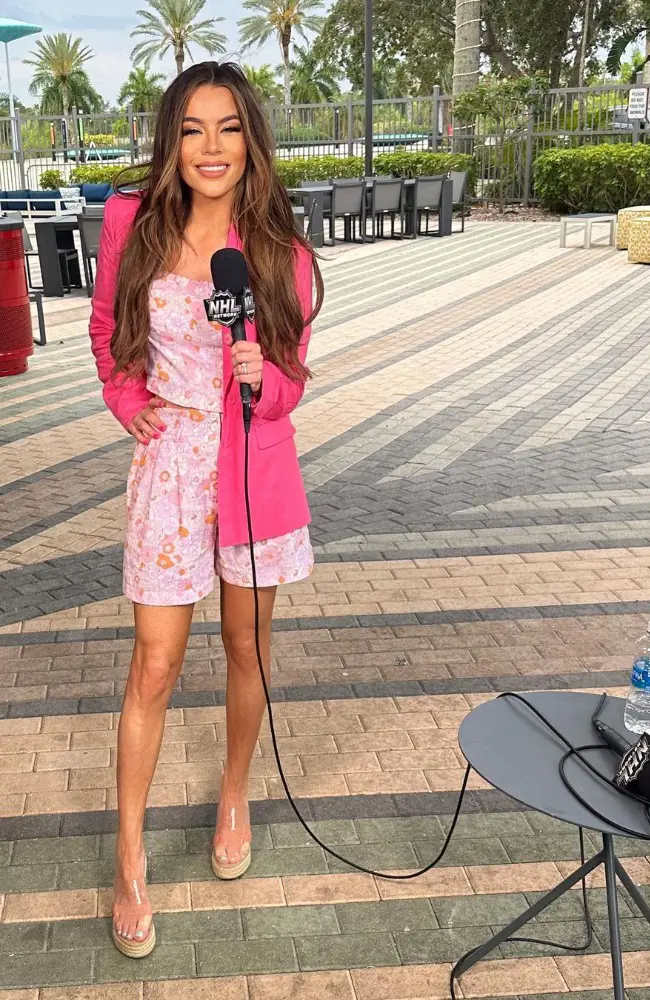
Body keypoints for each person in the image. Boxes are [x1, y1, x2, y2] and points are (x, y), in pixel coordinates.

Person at [89, 61, 323, 959]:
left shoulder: (280, 253)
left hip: (253, 470)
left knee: (246, 652)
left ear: (251, 140)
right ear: (172, 141)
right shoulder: (131, 223)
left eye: (228, 128)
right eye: (193, 129)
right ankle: (130, 859)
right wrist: (125, 401)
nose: (212, 147)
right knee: (153, 665)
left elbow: (294, 379)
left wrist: (266, 382)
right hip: (170, 468)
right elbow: (108, 332)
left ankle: (234, 790)